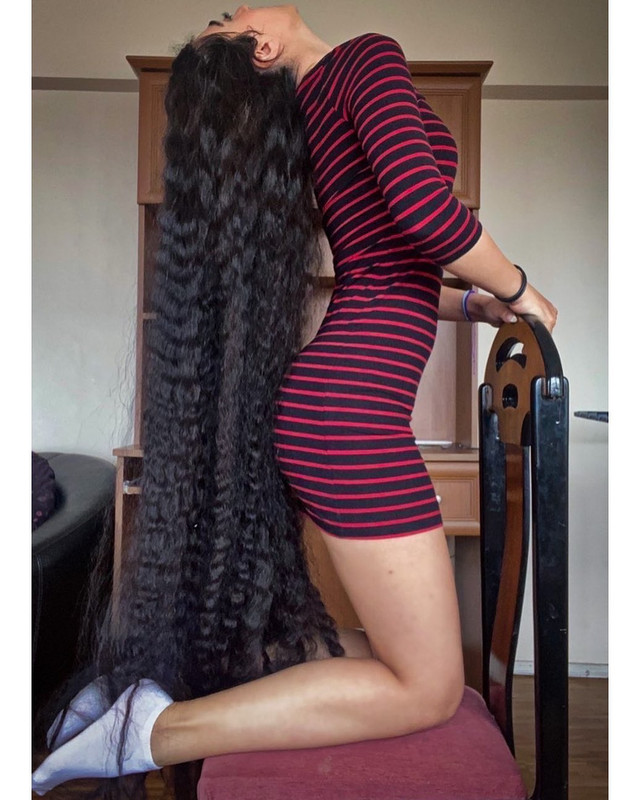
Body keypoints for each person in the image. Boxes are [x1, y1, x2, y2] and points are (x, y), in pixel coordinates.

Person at [32, 5, 557, 796]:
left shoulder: (317, 106)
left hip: (336, 407)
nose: (232, 6)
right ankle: (151, 733)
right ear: (264, 45)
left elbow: (381, 269)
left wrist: (473, 303)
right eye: (226, 19)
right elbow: (427, 212)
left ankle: (129, 699)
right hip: (350, 414)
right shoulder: (363, 59)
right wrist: (520, 289)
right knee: (427, 688)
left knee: (412, 659)